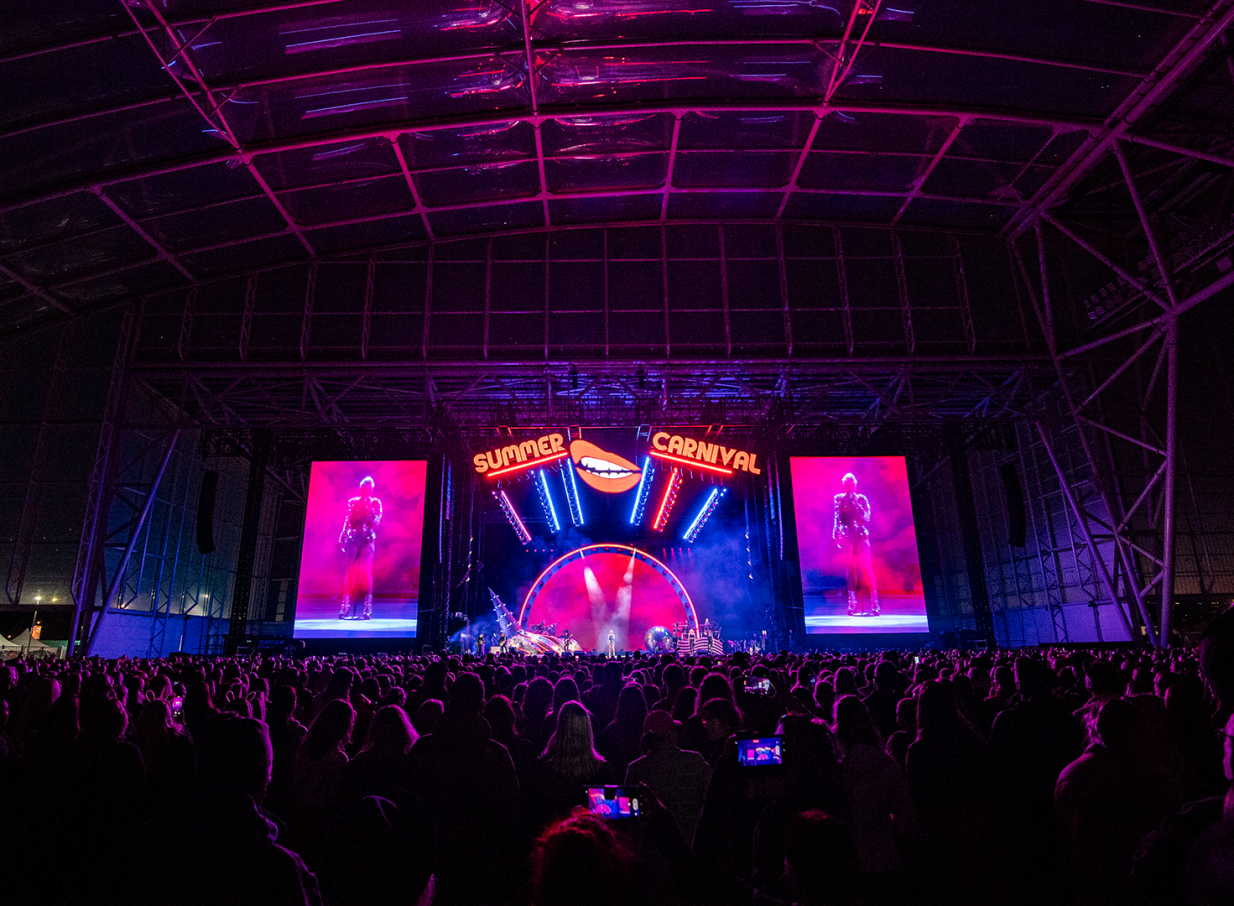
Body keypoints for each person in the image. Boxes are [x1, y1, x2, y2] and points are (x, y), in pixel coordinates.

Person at [833, 472, 879, 616]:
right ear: (843, 486)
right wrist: (835, 532)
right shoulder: (838, 499)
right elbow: (837, 517)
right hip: (847, 535)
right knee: (850, 569)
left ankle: (874, 603)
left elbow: (866, 518)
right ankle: (852, 604)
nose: (850, 488)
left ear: (856, 487)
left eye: (852, 486)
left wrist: (856, 504)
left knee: (866, 567)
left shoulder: (862, 499)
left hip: (860, 535)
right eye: (847, 486)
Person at [339, 476, 382, 620]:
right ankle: (345, 608)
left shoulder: (376, 503)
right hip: (353, 537)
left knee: (365, 572)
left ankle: (367, 609)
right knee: (349, 571)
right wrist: (343, 536)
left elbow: (376, 521)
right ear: (360, 489)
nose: (366, 492)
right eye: (364, 489)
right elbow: (347, 519)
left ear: (372, 490)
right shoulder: (352, 502)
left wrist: (368, 513)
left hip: (368, 539)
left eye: (369, 489)